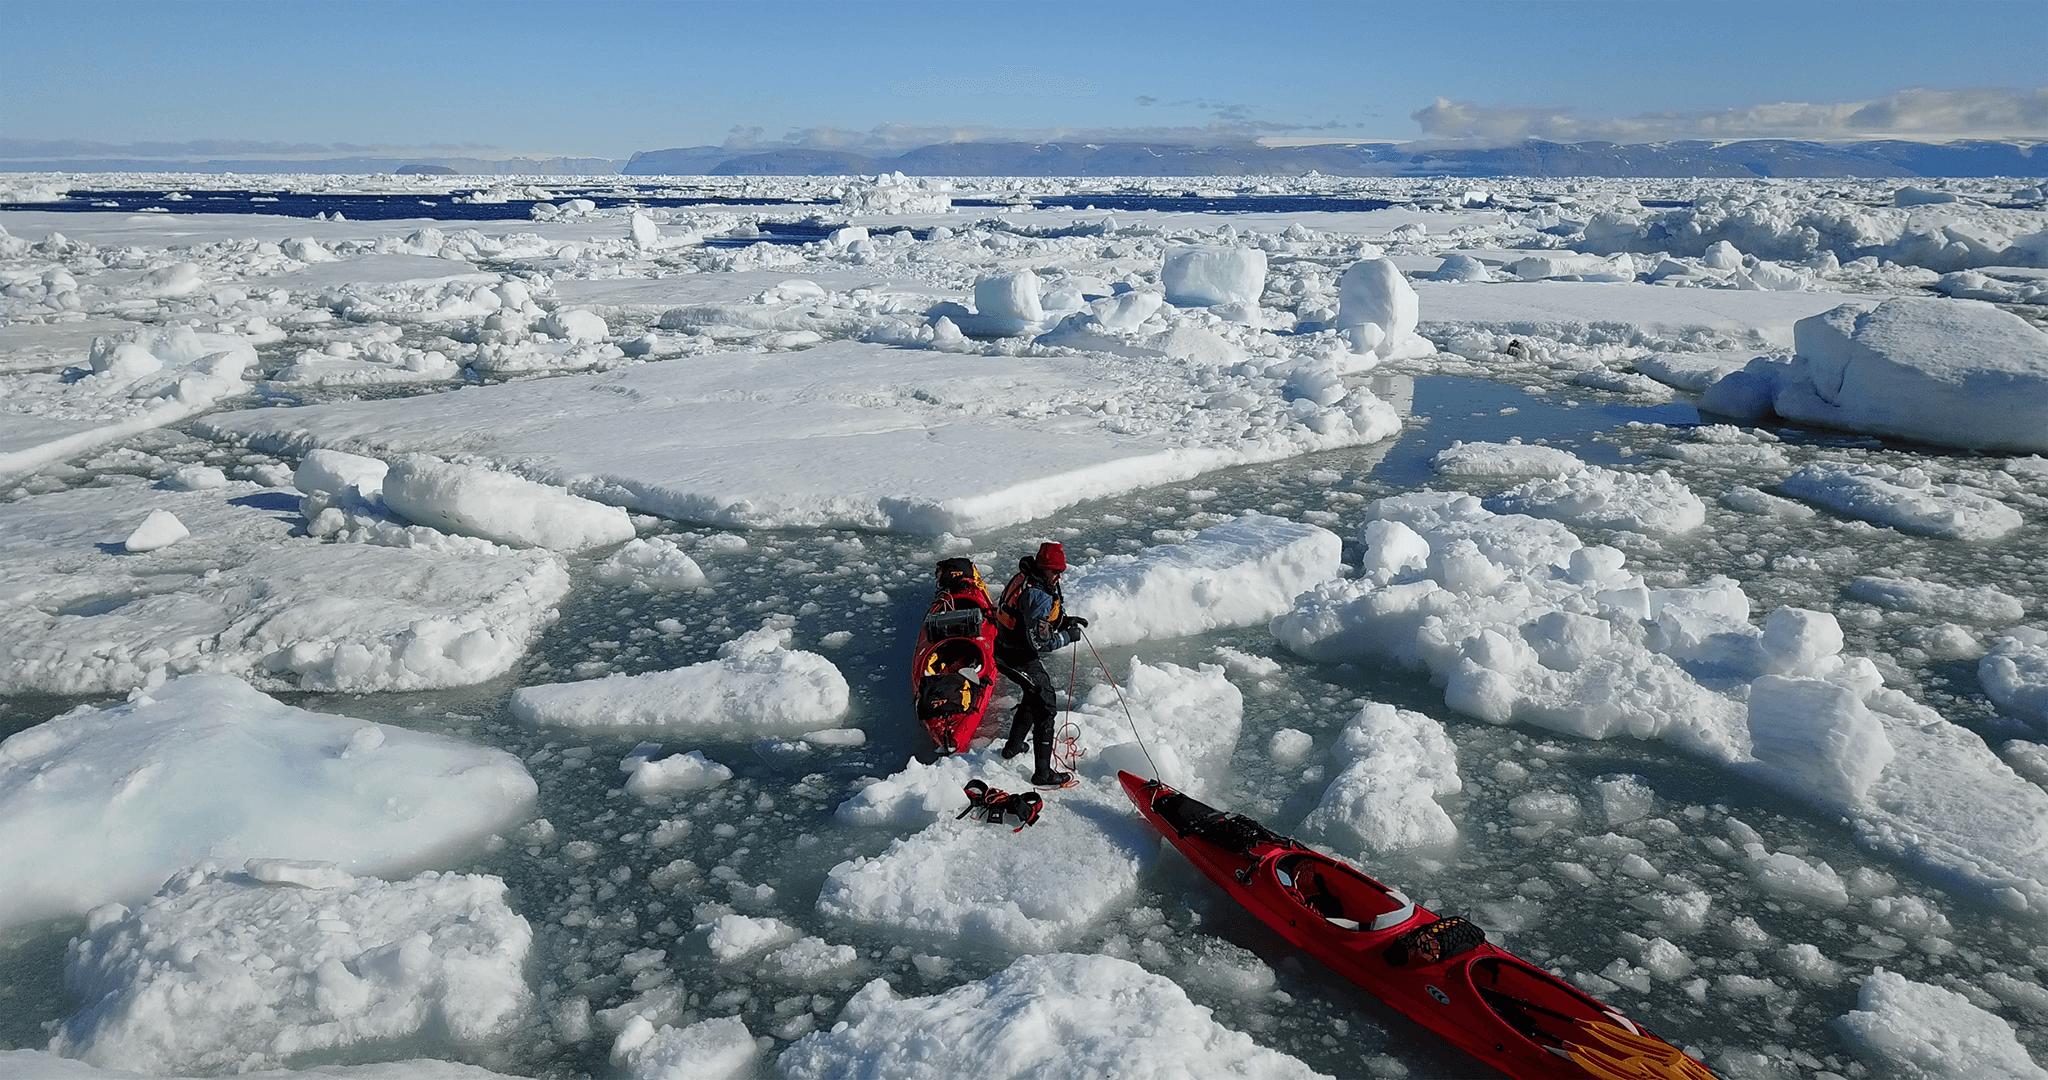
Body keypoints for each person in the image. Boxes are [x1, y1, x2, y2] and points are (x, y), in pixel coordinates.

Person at [992, 541, 1088, 787]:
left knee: (1032, 695)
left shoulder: (1027, 578)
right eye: (1055, 571)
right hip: (1017, 658)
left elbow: (1034, 617)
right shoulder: (1038, 594)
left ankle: (1012, 748)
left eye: (1061, 571)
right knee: (1045, 706)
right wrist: (1068, 636)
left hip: (1005, 650)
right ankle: (1043, 774)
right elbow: (1040, 642)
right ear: (1043, 568)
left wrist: (1064, 621)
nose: (1059, 576)